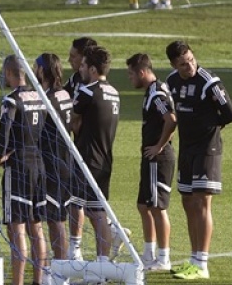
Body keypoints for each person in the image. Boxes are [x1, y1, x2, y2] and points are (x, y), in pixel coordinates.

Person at [164, 40, 232, 280]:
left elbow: (230, 114)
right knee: (187, 203)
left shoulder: (209, 82)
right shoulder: (172, 81)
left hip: (207, 149)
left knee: (202, 203)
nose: (190, 67)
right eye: (184, 64)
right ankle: (193, 258)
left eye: (192, 60)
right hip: (186, 149)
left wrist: (208, 127)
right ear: (175, 65)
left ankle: (202, 263)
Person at [0, 55, 47, 285]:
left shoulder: (11, 100)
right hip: (38, 165)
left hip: (18, 169)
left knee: (17, 228)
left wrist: (1, 153)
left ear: (9, 73)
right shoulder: (39, 97)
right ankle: (38, 281)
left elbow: (4, 126)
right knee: (36, 228)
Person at [68, 45, 120, 263]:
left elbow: (73, 120)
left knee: (82, 206)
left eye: (83, 65)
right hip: (105, 156)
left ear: (91, 69)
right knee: (97, 210)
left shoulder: (88, 91)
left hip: (87, 158)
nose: (80, 69)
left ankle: (77, 254)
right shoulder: (114, 92)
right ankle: (102, 263)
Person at [126, 53, 176, 272]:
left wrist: (160, 145)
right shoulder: (153, 91)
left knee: (157, 207)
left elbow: (171, 120)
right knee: (144, 205)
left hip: (158, 158)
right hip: (151, 157)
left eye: (131, 74)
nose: (130, 79)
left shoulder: (156, 94)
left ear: (142, 72)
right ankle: (148, 254)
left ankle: (163, 258)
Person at [33, 53, 73, 285]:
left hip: (52, 164)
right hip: (64, 161)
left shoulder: (48, 99)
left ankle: (59, 273)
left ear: (42, 70)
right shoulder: (64, 93)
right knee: (56, 218)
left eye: (35, 67)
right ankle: (57, 270)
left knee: (54, 219)